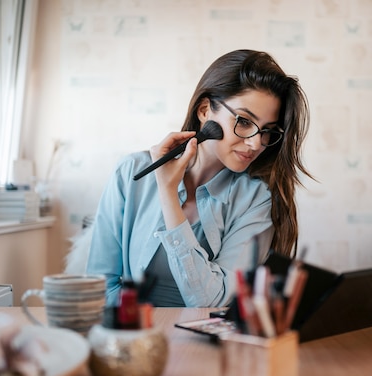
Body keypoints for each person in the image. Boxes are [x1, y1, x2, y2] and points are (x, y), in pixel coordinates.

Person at [86, 49, 311, 307]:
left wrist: (169, 196)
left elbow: (215, 302)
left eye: (267, 132)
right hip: (132, 337)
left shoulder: (255, 199)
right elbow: (100, 285)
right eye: (245, 121)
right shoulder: (131, 172)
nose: (255, 143)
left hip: (204, 343)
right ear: (205, 110)